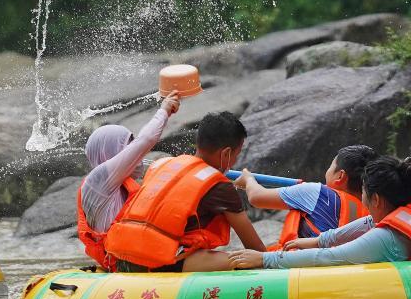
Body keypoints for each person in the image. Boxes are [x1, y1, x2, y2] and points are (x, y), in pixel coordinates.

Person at [105, 111, 265, 272]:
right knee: (250, 260)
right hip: (159, 261)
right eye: (236, 155)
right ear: (226, 153)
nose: (235, 161)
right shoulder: (221, 187)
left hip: (121, 256)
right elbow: (255, 248)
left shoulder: (162, 164)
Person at [229, 156, 411, 269]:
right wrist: (318, 241)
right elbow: (369, 222)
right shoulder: (399, 211)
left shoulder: (386, 237)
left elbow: (331, 256)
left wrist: (264, 259)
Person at [77, 90, 181, 271]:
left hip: (140, 257)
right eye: (128, 146)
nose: (135, 155)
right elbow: (146, 140)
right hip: (124, 265)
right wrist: (164, 110)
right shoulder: (97, 182)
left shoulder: (122, 182)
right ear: (109, 151)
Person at [233, 145, 375, 248]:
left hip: (304, 269)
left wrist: (248, 179)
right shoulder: (374, 208)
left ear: (340, 176)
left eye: (331, 166)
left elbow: (257, 197)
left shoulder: (316, 192)